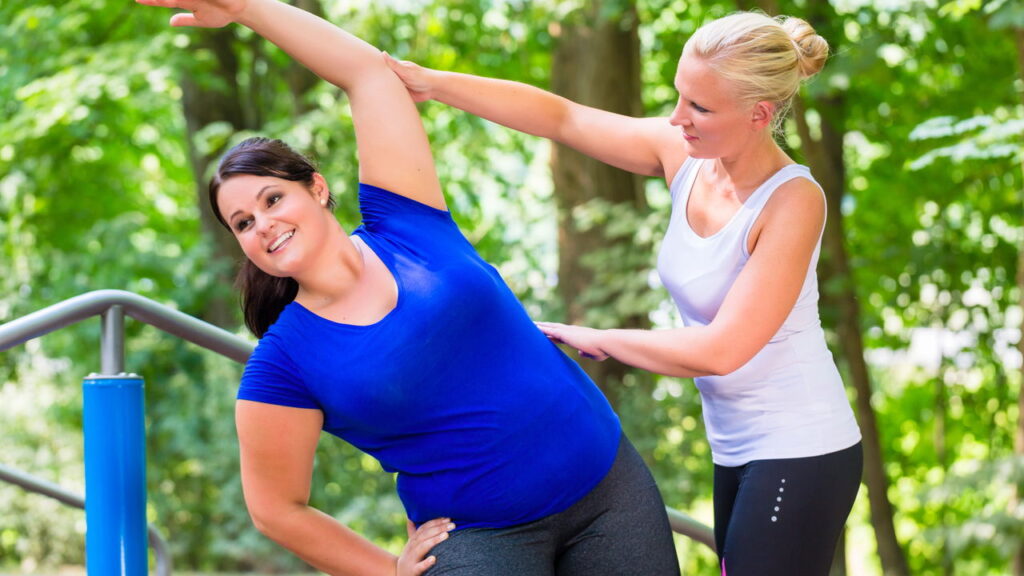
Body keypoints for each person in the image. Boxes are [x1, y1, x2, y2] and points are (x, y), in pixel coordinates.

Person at [136, 1, 682, 575]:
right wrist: (386, 570)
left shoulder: (405, 218)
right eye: (244, 223)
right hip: (481, 541)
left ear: (317, 188)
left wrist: (247, 8)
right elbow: (275, 509)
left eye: (273, 199)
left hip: (609, 490)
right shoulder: (282, 363)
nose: (264, 224)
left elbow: (368, 72)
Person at [385, 11, 863, 576]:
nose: (677, 118)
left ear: (759, 114)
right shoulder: (686, 156)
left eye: (700, 107)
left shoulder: (792, 201)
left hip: (802, 445)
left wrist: (599, 338)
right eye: (679, 95)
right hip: (733, 445)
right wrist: (433, 83)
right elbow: (562, 117)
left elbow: (722, 350)